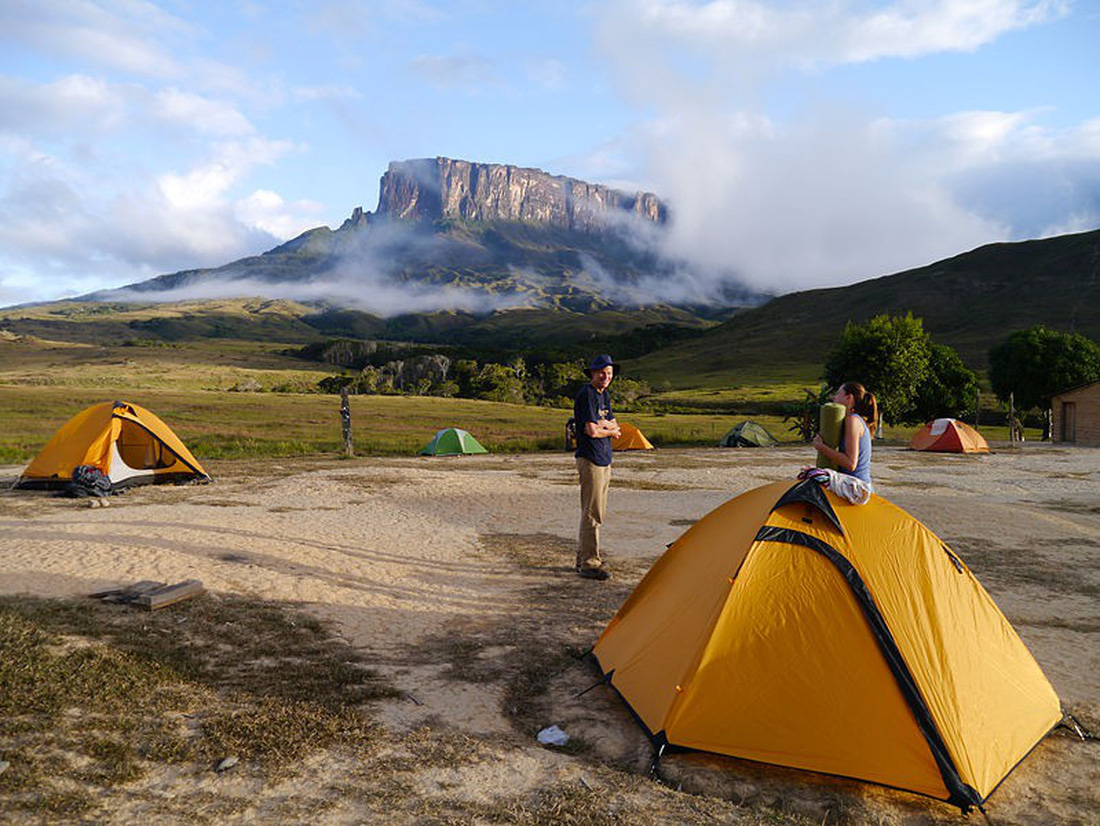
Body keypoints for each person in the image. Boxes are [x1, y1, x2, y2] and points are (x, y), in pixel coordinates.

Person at [573, 354, 621, 580]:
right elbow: (593, 431)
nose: (606, 377)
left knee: (597, 511)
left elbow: (612, 422)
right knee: (592, 513)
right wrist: (609, 430)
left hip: (604, 457)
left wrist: (605, 426)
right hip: (591, 458)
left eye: (609, 373)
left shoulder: (604, 395)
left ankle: (583, 557)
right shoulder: (588, 394)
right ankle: (590, 563)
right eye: (602, 372)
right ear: (593, 373)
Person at [811, 381, 878, 496]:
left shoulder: (852, 420)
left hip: (856, 488)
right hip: (852, 484)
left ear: (848, 397)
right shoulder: (853, 420)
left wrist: (821, 447)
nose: (834, 398)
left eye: (838, 394)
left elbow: (850, 464)